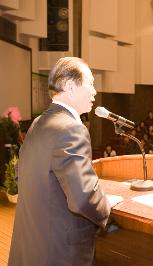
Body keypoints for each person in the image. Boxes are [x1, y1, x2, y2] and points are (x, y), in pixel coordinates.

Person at [9, 57, 122, 266]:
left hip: (34, 243)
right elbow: (83, 198)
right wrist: (108, 207)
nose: (95, 91)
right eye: (90, 83)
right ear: (70, 86)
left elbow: (20, 174)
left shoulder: (38, 123)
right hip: (60, 252)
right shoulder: (71, 128)